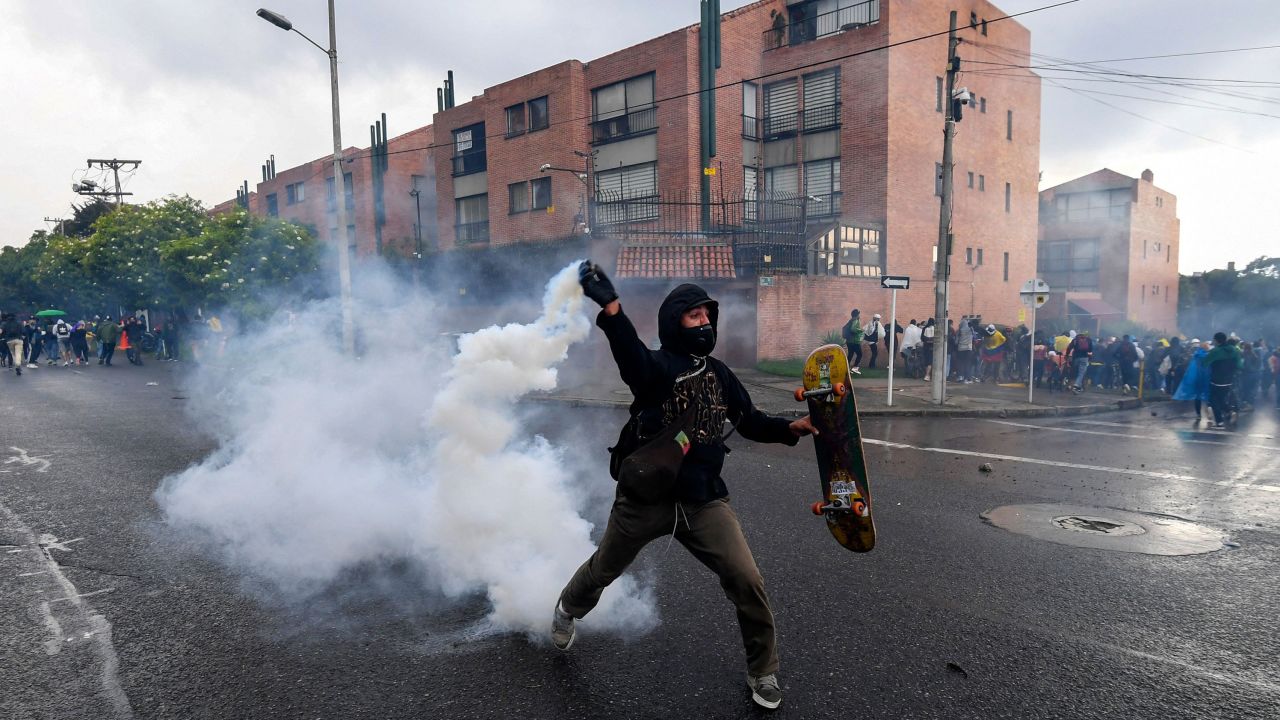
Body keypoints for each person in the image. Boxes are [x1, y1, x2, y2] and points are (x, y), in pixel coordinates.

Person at [554, 261, 818, 711]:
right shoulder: (658, 368)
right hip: (646, 498)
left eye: (707, 315)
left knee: (746, 578)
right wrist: (613, 310)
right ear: (674, 322)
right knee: (604, 569)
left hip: (703, 501)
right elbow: (632, 360)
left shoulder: (719, 373)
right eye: (694, 316)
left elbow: (749, 421)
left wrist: (792, 426)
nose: (704, 322)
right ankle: (567, 609)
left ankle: (763, 671)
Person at [1204, 332, 1242, 427]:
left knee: (1213, 400)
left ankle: (1219, 420)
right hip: (1228, 380)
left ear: (1216, 340)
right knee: (1221, 399)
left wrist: (1207, 352)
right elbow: (1240, 365)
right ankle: (1230, 411)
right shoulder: (1234, 351)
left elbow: (1204, 363)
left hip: (1216, 380)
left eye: (1214, 340)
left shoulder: (1215, 351)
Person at [1173, 340, 1211, 422]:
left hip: (1197, 378)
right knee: (1208, 395)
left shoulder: (1196, 355)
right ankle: (1208, 412)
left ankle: (1198, 414)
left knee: (1198, 397)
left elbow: (1192, 367)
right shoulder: (1208, 355)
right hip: (1206, 377)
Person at [841, 309, 864, 375]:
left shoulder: (850, 320)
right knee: (860, 354)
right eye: (859, 314)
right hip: (854, 341)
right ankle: (855, 368)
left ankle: (846, 369)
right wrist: (861, 330)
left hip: (849, 341)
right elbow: (853, 329)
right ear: (857, 315)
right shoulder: (855, 320)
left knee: (850, 354)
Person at [955, 319, 975, 383]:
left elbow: (956, 341)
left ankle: (960, 376)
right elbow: (974, 336)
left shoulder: (959, 330)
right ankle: (967, 378)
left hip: (960, 349)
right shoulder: (970, 330)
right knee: (967, 363)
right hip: (968, 349)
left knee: (960, 363)